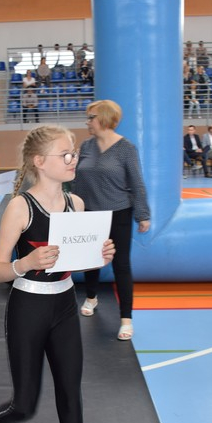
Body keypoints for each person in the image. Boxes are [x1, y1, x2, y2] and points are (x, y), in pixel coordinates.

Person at [0, 124, 114, 423]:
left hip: (64, 307)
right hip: (28, 307)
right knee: (24, 405)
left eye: (74, 153)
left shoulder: (77, 204)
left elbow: (74, 261)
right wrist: (26, 262)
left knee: (72, 402)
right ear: (39, 161)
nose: (73, 159)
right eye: (64, 154)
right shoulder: (21, 206)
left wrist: (98, 255)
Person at [72, 100, 150, 341]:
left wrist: (143, 214)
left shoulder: (126, 148)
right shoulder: (86, 145)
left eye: (91, 117)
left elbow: (136, 183)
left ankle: (126, 319)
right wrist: (73, 208)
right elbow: (76, 180)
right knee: (91, 260)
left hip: (118, 212)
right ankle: (91, 297)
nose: (87, 122)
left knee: (121, 265)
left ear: (105, 119)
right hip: (89, 213)